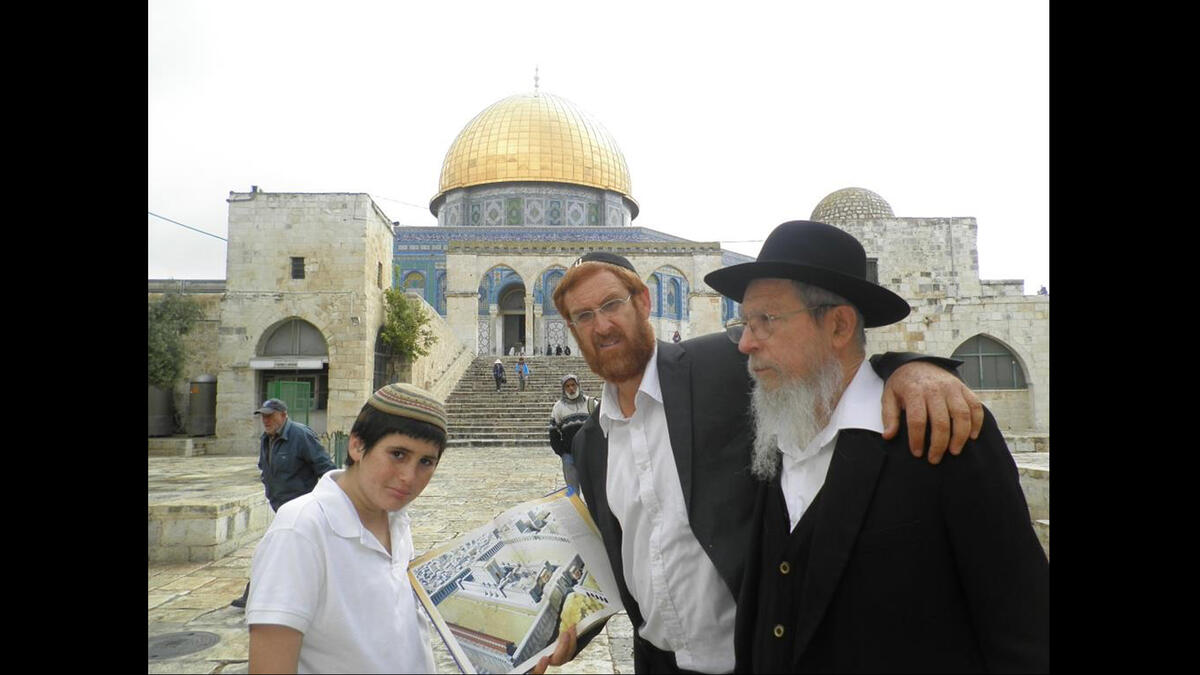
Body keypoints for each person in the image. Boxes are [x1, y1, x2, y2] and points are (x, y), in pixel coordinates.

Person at [534, 250, 983, 674]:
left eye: (611, 304)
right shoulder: (593, 441)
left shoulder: (719, 363)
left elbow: (821, 354)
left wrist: (911, 368)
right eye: (583, 316)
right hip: (656, 661)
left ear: (644, 301)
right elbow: (623, 557)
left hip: (755, 657)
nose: (601, 325)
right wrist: (575, 630)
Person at [702, 221, 1048, 672]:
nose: (746, 343)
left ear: (840, 326)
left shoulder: (942, 436)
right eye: (743, 324)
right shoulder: (772, 439)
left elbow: (1024, 631)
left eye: (766, 320)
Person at [245, 383, 449, 673]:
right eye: (398, 454)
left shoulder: (396, 520)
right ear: (356, 445)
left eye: (426, 462)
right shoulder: (299, 531)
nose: (408, 477)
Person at [231, 398, 336, 609]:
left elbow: (327, 468)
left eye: (270, 415)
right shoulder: (267, 438)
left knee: (271, 549)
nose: (266, 420)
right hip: (280, 507)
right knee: (293, 554)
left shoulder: (300, 435)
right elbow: (266, 468)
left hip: (301, 509)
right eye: (263, 416)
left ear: (283, 415)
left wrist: (325, 502)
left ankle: (255, 593)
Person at [547, 373, 590, 495]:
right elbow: (553, 433)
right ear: (563, 388)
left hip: (588, 456)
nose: (571, 388)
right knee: (573, 492)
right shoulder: (558, 407)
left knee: (592, 491)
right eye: (567, 386)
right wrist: (562, 452)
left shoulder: (590, 404)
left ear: (578, 385)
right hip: (569, 455)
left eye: (573, 385)